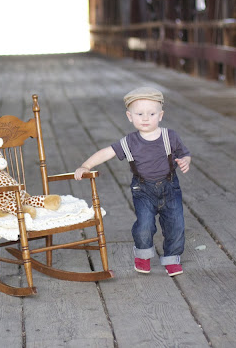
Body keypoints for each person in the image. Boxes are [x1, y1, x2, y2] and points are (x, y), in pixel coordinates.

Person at [74, 87, 191, 277]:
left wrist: (185, 160)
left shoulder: (170, 136)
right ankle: (143, 255)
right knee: (145, 225)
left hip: (170, 187)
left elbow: (185, 153)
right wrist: (86, 165)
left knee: (176, 224)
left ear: (160, 115)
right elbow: (107, 152)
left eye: (151, 114)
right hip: (143, 189)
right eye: (139, 114)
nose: (145, 118)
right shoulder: (129, 142)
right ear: (130, 116)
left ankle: (172, 258)